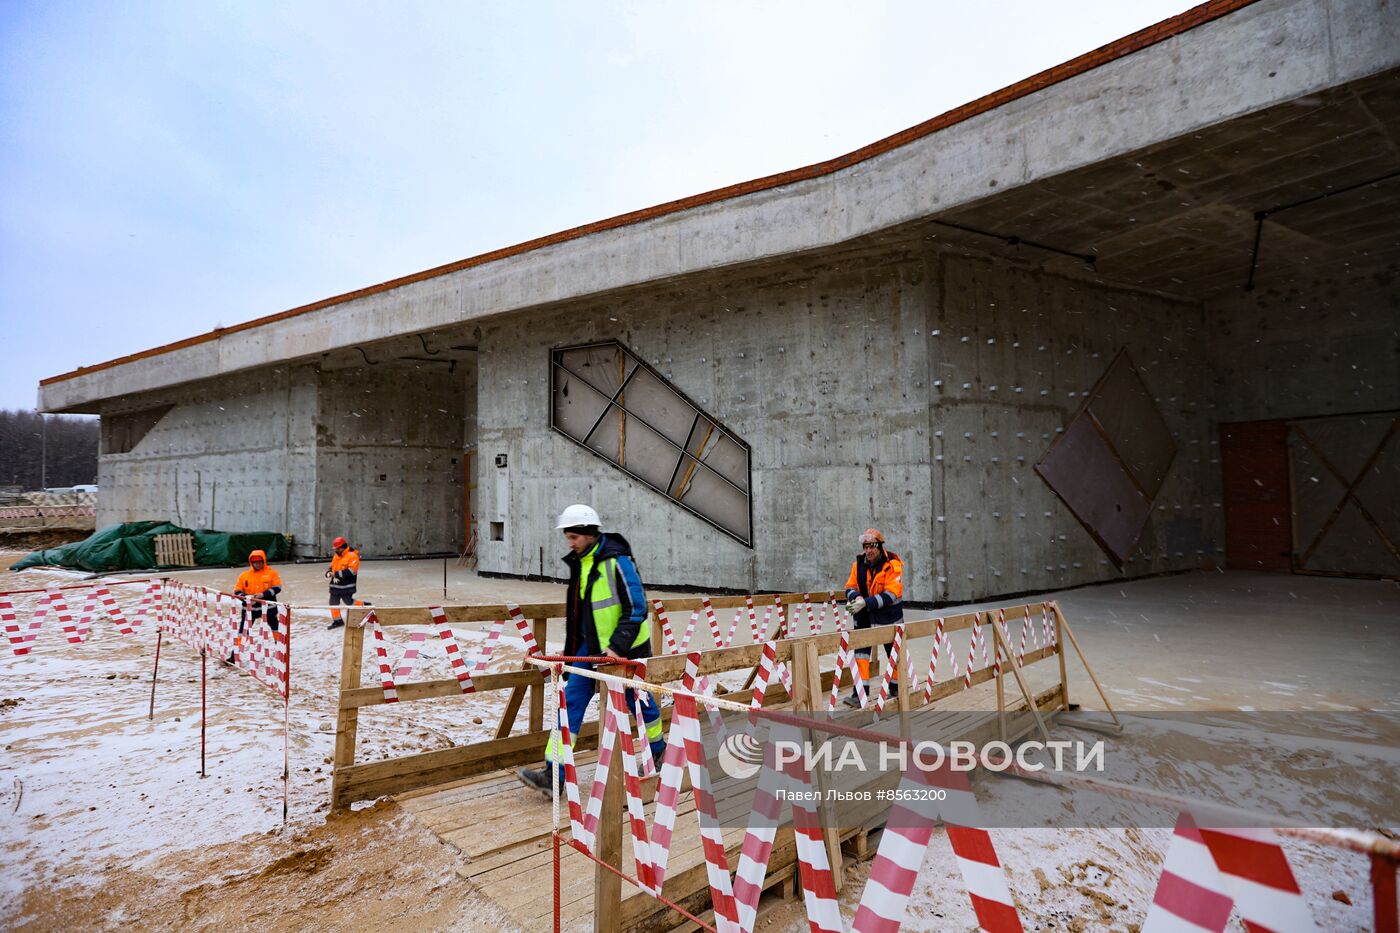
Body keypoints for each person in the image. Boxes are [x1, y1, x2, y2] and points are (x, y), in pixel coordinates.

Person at [518, 504, 665, 796]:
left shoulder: (616, 560)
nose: (569, 542)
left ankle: (658, 754)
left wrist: (617, 647)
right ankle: (553, 773)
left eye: (573, 537)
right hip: (591, 648)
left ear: (589, 534)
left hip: (626, 649)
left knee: (639, 704)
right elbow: (582, 612)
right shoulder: (582, 563)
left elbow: (637, 608)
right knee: (569, 702)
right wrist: (571, 650)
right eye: (568, 537)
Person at [841, 528, 904, 708]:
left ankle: (896, 688)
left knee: (893, 655)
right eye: (866, 546)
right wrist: (856, 598)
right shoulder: (858, 564)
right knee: (861, 655)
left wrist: (865, 603)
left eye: (872, 546)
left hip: (889, 618)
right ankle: (859, 694)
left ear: (879, 546)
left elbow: (892, 594)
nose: (868, 551)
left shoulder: (893, 564)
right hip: (864, 618)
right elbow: (850, 586)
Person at [229, 549, 282, 664]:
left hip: (269, 608)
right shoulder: (244, 575)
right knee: (243, 632)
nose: (257, 564)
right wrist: (245, 597)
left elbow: (278, 587)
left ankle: (281, 651)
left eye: (259, 561)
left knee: (276, 629)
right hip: (249, 609)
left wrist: (263, 595)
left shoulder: (272, 573)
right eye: (255, 562)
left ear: (264, 561)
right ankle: (234, 656)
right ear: (251, 563)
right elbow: (237, 590)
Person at [325, 535, 363, 629]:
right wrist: (329, 572)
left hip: (347, 586)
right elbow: (332, 566)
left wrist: (335, 574)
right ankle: (337, 621)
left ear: (342, 547)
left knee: (348, 602)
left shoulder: (352, 556)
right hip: (335, 585)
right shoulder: (337, 555)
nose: (336, 550)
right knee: (333, 602)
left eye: (337, 548)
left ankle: (363, 607)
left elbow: (351, 571)